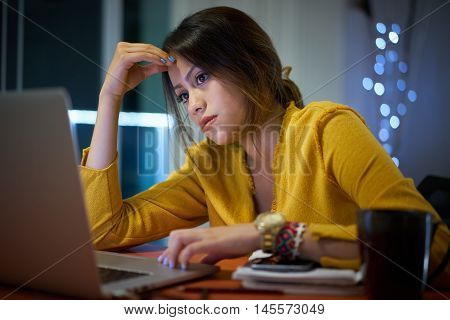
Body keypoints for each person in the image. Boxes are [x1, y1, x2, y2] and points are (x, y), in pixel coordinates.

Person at [79, 6, 449, 287]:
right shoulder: (211, 165)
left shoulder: (327, 128)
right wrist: (109, 97)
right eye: (182, 94)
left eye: (202, 78)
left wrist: (270, 235)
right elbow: (102, 232)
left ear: (250, 65)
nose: (192, 104)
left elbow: (429, 245)